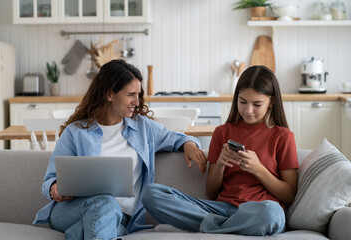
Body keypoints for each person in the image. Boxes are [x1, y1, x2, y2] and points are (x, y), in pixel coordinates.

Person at [33, 59, 207, 240]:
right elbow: (50, 180)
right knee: (106, 202)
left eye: (138, 95)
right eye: (131, 94)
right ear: (109, 94)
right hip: (73, 210)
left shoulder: (144, 129)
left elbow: (179, 138)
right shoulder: (76, 132)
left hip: (122, 219)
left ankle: (77, 234)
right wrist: (54, 188)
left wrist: (189, 145)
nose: (137, 102)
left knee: (95, 226)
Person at [141, 65, 299, 236]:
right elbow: (211, 192)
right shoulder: (222, 132)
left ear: (272, 102)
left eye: (257, 104)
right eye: (243, 102)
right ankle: (226, 227)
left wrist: (258, 169)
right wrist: (221, 164)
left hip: (258, 211)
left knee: (272, 213)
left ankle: (206, 227)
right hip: (220, 209)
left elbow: (289, 195)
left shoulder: (283, 136)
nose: (248, 110)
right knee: (151, 194)